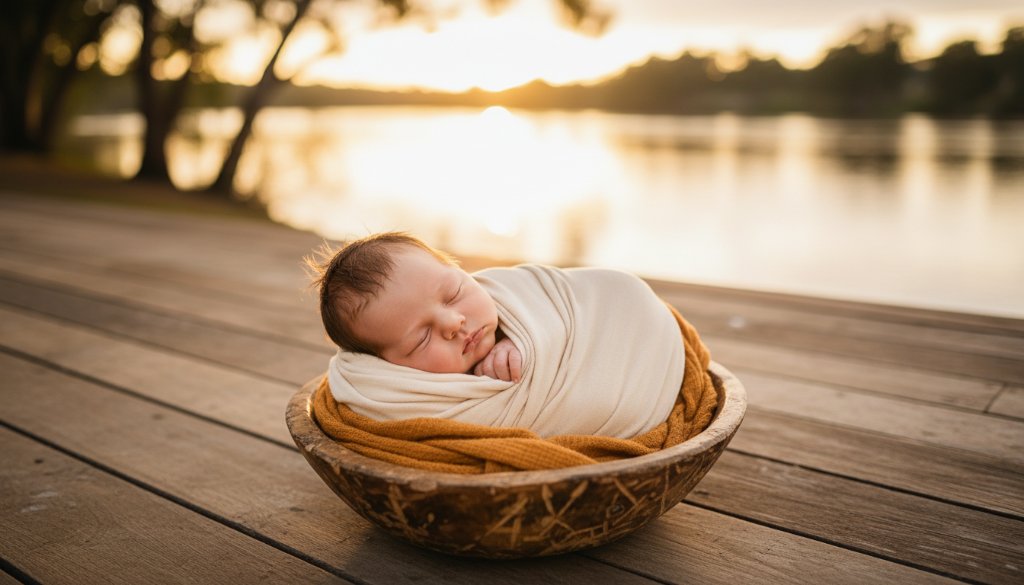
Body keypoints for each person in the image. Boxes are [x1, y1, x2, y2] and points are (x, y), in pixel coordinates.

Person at [309, 231, 685, 439]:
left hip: (617, 317)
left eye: (454, 292)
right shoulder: (410, 400)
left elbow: (563, 306)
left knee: (624, 289)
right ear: (388, 366)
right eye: (421, 338)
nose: (453, 323)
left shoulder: (513, 297)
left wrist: (527, 341)